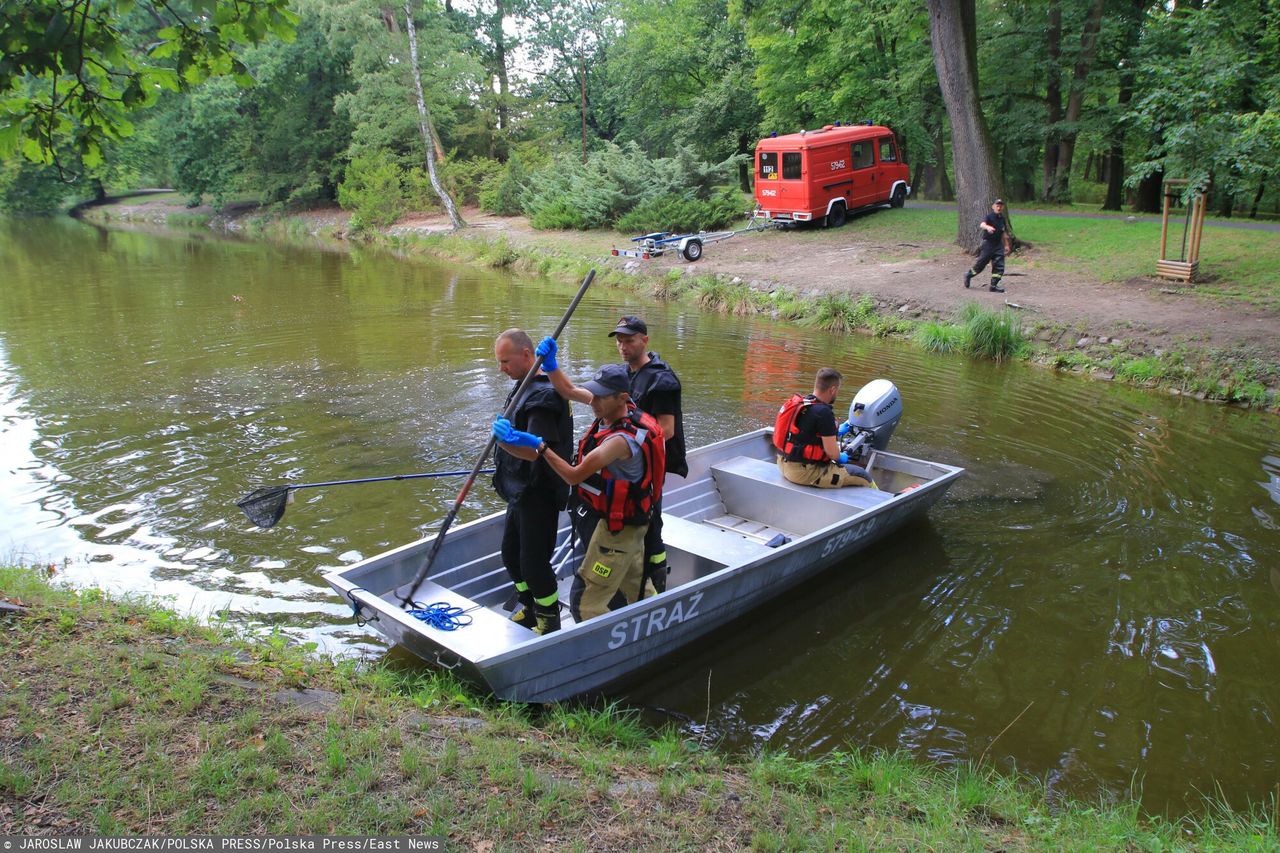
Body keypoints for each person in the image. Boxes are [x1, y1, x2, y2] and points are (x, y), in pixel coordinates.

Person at [492, 363, 666, 624]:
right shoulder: (613, 407)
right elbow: (568, 389)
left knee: (583, 601)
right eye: (593, 394)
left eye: (600, 396)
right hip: (625, 520)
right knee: (636, 586)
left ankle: (604, 652)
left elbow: (573, 475)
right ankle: (652, 616)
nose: (592, 401)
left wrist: (540, 446)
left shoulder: (618, 442)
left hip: (618, 531)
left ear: (622, 397)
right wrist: (551, 365)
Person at [535, 315, 685, 597]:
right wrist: (551, 366)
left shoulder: (661, 380)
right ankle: (624, 579)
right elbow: (570, 392)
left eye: (629, 340)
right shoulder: (619, 375)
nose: (623, 346)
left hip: (646, 470)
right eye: (619, 341)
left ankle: (655, 586)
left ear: (645, 340)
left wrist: (625, 445)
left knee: (650, 531)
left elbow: (665, 431)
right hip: (618, 463)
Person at [491, 329, 574, 635]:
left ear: (527, 355)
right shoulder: (522, 384)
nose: (502, 369)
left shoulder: (543, 394)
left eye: (505, 361)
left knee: (533, 563)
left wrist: (502, 441)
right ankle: (529, 606)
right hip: (520, 491)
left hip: (539, 492)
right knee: (510, 554)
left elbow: (533, 452)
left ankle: (548, 618)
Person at [774, 367, 877, 489]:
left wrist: (835, 432)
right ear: (832, 389)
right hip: (805, 473)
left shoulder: (803, 405)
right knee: (863, 476)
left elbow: (806, 434)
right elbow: (832, 454)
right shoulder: (824, 412)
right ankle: (885, 503)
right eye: (837, 389)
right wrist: (841, 457)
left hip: (783, 464)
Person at [964, 198, 1008, 293]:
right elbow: (982, 224)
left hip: (998, 245)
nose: (999, 207)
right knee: (981, 264)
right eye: (997, 205)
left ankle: (993, 286)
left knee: (999, 266)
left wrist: (1007, 245)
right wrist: (988, 227)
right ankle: (968, 275)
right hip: (988, 244)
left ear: (1003, 207)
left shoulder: (1002, 219)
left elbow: (1004, 233)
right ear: (993, 207)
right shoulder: (989, 217)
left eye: (1000, 205)